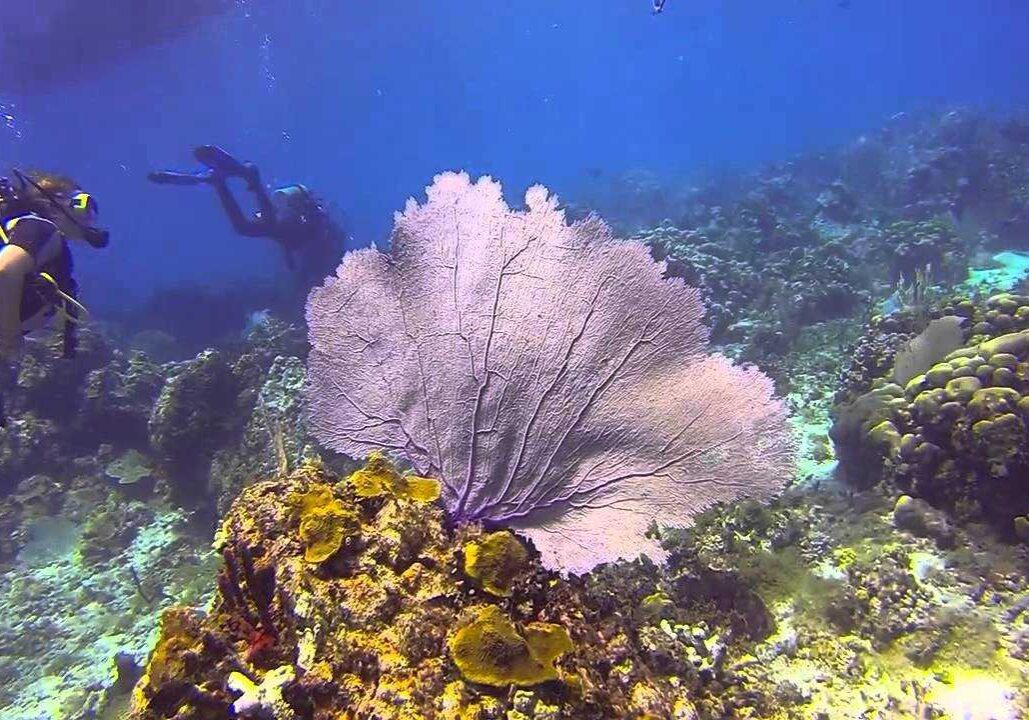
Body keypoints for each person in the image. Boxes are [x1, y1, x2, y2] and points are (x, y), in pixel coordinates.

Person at [0, 168, 110, 426]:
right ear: (61, 202)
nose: (90, 218)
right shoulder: (41, 228)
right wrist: (8, 333)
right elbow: (5, 269)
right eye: (84, 205)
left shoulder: (42, 239)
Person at [148, 146, 345, 288]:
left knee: (244, 228)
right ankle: (252, 178)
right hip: (297, 230)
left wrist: (291, 259)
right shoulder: (327, 241)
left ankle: (220, 184)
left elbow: (295, 248)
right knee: (270, 223)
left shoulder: (317, 236)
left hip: (292, 233)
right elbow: (317, 246)